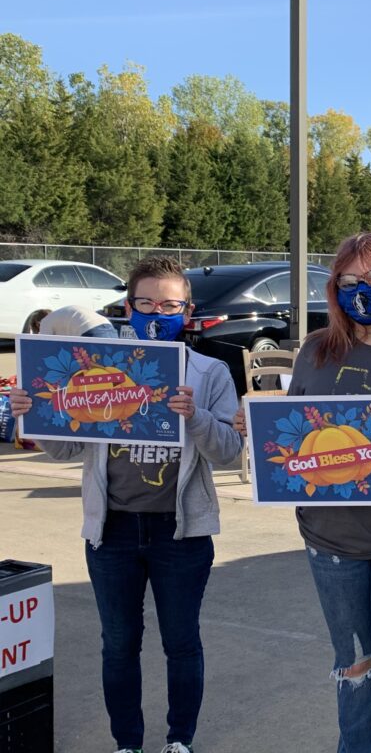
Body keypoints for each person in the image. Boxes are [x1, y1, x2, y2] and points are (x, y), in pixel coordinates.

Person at [10, 256, 243, 753]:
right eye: (145, 302)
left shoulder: (210, 372)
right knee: (118, 645)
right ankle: (127, 744)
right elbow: (70, 449)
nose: (156, 312)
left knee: (181, 643)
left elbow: (228, 453)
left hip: (180, 532)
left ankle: (179, 740)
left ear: (188, 309)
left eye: (169, 304)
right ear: (127, 307)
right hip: (110, 531)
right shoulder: (95, 368)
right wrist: (38, 419)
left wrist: (193, 416)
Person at [234, 232, 371, 752]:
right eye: (350, 281)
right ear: (334, 288)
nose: (364, 291)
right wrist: (260, 431)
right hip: (329, 539)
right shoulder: (316, 350)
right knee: (354, 670)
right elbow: (293, 433)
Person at [38, 303, 119, 339]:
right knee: (114, 369)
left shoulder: (45, 321)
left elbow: (44, 347)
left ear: (37, 323)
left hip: (89, 329)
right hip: (108, 325)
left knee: (94, 370)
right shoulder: (59, 316)